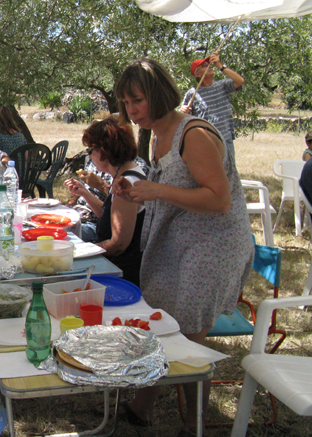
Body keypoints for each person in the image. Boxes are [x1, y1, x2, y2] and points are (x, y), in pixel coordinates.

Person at [113, 58, 253, 435]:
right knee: (162, 325)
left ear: (158, 95)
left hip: (213, 246)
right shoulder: (158, 134)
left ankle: (195, 425)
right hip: (177, 241)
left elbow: (219, 200)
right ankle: (142, 406)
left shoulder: (194, 133)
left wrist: (156, 189)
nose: (132, 110)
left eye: (137, 100)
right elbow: (173, 190)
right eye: (126, 103)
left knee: (187, 339)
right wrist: (139, 193)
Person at [63, 117, 146, 286]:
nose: (90, 156)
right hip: (116, 266)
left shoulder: (127, 182)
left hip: (121, 274)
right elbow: (111, 217)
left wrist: (82, 250)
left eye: (90, 150)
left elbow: (118, 244)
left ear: (103, 151)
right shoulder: (125, 174)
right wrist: (85, 193)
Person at [180, 52, 245, 159]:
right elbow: (183, 118)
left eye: (209, 64)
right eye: (204, 66)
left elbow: (240, 81)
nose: (209, 66)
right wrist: (183, 111)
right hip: (206, 142)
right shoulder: (193, 94)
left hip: (225, 138)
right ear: (197, 74)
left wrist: (220, 66)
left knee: (228, 174)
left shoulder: (222, 85)